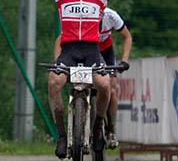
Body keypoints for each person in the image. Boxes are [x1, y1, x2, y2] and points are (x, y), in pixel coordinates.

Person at [16, 0, 160, 159]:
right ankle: (62, 136)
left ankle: (98, 128)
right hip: (69, 50)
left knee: (105, 87)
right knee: (53, 83)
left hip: (92, 51)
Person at [54, 8, 132, 149]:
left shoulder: (111, 16)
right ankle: (80, 114)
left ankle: (111, 130)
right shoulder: (79, 15)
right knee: (80, 81)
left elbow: (127, 36)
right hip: (82, 51)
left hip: (104, 51)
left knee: (112, 89)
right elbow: (61, 38)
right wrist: (57, 62)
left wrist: (124, 60)